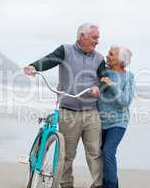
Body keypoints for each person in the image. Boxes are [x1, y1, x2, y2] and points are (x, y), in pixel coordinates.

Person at [24, 23, 106, 188]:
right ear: (82, 36)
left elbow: (105, 79)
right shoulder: (65, 50)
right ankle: (67, 185)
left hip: (91, 113)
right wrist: (33, 66)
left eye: (98, 38)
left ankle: (98, 185)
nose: (97, 41)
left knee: (95, 154)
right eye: (94, 37)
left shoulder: (99, 58)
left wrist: (99, 87)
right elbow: (49, 60)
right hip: (68, 112)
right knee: (66, 155)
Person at [98, 46, 135, 188]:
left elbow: (125, 102)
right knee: (104, 156)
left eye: (111, 54)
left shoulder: (129, 77)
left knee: (108, 151)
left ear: (120, 60)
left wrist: (112, 85)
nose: (107, 56)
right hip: (101, 121)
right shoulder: (103, 73)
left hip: (118, 122)